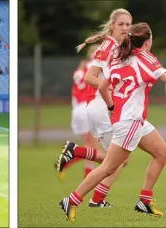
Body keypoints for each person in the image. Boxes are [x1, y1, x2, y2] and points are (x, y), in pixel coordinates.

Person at [57, 22, 166, 221]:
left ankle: (144, 200)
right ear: (147, 42)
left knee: (162, 153)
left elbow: (103, 86)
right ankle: (72, 199)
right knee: (109, 167)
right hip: (130, 121)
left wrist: (112, 107)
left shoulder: (118, 57)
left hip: (132, 119)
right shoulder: (144, 57)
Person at [57, 8, 134, 209]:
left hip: (105, 106)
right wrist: (110, 88)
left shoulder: (120, 45)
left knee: (119, 160)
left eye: (128, 24)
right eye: (121, 24)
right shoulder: (108, 46)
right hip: (102, 106)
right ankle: (79, 154)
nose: (125, 28)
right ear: (113, 25)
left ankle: (96, 198)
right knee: (117, 160)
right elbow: (90, 77)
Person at [69, 44, 101, 180]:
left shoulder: (79, 71)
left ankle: (87, 177)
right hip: (89, 107)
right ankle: (72, 155)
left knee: (89, 146)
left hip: (78, 110)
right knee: (94, 148)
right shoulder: (97, 68)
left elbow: (73, 93)